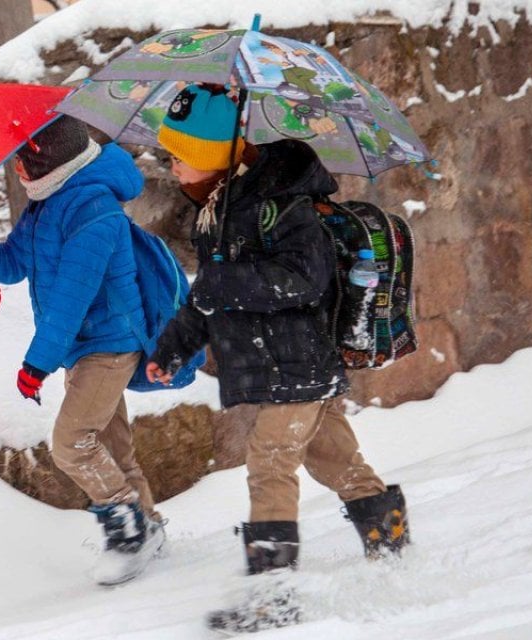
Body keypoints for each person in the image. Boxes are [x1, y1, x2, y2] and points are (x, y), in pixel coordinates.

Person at [144, 84, 409, 631]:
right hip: (274, 363)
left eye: (180, 157)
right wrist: (173, 349)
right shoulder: (216, 211)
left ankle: (273, 594)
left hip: (299, 358)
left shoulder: (278, 205)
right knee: (332, 458)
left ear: (213, 155)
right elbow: (209, 294)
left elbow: (304, 279)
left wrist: (228, 283)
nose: (172, 169)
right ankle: (391, 537)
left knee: (269, 462)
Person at [0, 115, 165, 586]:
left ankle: (127, 532)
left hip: (109, 343)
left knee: (72, 442)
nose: (18, 170)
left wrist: (37, 363)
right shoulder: (46, 203)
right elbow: (13, 264)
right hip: (84, 347)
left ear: (52, 160)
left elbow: (70, 297)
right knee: (110, 444)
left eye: (24, 160)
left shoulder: (94, 209)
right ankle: (150, 528)